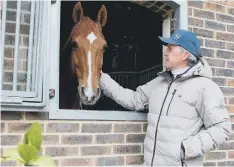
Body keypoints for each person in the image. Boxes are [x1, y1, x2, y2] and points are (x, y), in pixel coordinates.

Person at [99, 29, 232, 166]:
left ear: (185, 54)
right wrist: (101, 78)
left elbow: (223, 128)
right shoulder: (159, 83)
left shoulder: (205, 87)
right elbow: (134, 100)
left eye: (170, 48)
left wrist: (187, 149)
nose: (165, 52)